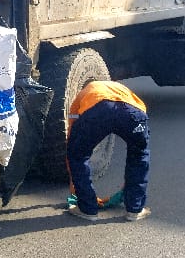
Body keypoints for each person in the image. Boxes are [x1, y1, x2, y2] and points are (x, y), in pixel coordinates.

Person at [65, 80, 151, 222]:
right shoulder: (124, 91)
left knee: (78, 156)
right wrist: (130, 184)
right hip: (133, 113)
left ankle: (87, 209)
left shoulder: (84, 93)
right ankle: (135, 210)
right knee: (139, 155)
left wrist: (72, 158)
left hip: (98, 111)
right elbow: (142, 115)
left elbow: (72, 125)